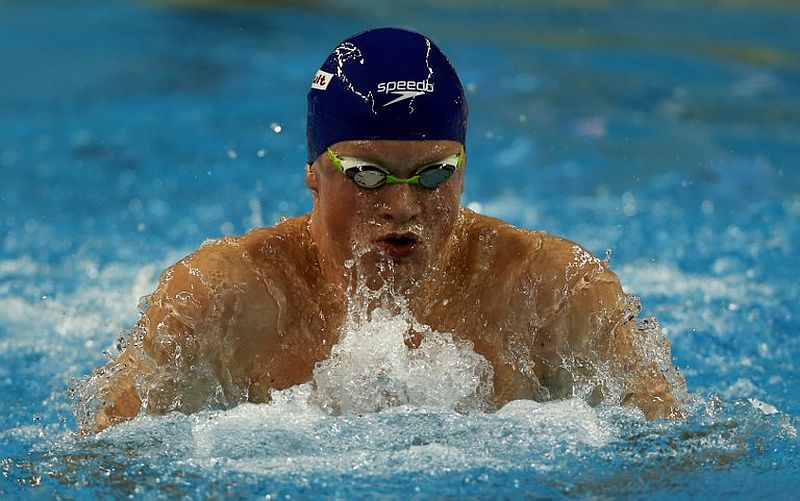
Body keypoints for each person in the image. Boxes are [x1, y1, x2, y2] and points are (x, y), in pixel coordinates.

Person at [80, 27, 685, 432]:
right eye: (368, 175)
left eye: (434, 175)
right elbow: (110, 461)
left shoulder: (553, 293)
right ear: (314, 171)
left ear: (464, 168)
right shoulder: (222, 299)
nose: (401, 205)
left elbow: (672, 445)